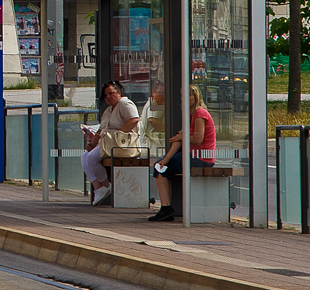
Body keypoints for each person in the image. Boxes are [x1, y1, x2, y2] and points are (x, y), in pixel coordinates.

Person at [149, 84, 216, 222]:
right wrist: (165, 159)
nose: (185, 98)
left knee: (161, 169)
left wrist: (181, 137)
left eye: (189, 95)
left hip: (201, 157)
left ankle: (167, 208)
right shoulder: (190, 115)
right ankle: (166, 207)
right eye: (182, 95)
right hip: (192, 155)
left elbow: (198, 138)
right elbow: (179, 139)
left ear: (196, 96)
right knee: (160, 167)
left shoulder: (200, 113)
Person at [81, 80, 140, 206]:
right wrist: (92, 143)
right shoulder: (108, 110)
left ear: (118, 92)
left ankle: (107, 186)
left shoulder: (124, 103)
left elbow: (134, 120)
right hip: (107, 143)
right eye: (105, 95)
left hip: (121, 145)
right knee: (85, 156)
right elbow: (101, 130)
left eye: (111, 93)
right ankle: (99, 188)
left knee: (91, 158)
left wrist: (119, 134)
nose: (108, 97)